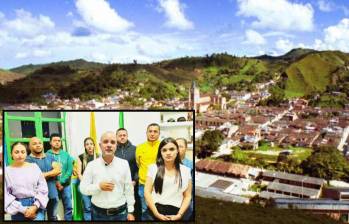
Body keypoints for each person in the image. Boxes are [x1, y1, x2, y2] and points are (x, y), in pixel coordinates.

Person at [80, 131, 135, 221]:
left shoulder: (124, 164)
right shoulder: (91, 165)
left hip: (120, 214)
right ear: (100, 145)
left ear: (116, 145)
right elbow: (83, 188)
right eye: (105, 142)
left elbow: (129, 188)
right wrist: (98, 187)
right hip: (98, 214)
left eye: (113, 142)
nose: (109, 145)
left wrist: (131, 211)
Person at [144, 137, 192, 221]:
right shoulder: (153, 168)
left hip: (176, 213)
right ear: (161, 153)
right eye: (164, 150)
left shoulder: (186, 171)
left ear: (177, 151)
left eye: (171, 149)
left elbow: (187, 196)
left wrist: (179, 215)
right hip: (154, 212)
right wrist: (156, 214)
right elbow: (147, 192)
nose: (168, 153)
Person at [5, 142, 48, 221]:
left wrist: (35, 206)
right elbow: (6, 195)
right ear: (11, 154)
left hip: (36, 205)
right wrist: (23, 209)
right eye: (16, 152)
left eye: (23, 152)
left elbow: (43, 188)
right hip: (17, 208)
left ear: (26, 154)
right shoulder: (7, 171)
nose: (20, 155)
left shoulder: (34, 167)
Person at [26, 137, 61, 221]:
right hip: (38, 198)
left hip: (53, 195)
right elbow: (32, 177)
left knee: (53, 217)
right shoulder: (28, 160)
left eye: (39, 143)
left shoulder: (49, 157)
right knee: (40, 218)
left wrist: (41, 175)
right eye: (34, 144)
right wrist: (50, 173)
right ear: (30, 147)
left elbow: (58, 170)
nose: (38, 145)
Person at [114, 128, 141, 220]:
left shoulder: (135, 149)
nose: (122, 137)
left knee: (134, 206)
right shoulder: (113, 150)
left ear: (127, 136)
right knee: (120, 206)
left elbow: (139, 167)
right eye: (120, 135)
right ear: (116, 137)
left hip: (133, 183)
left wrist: (135, 180)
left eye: (124, 135)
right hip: (118, 185)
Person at [136, 123, 160, 220]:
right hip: (143, 185)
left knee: (160, 211)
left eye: (155, 131)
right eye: (150, 131)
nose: (152, 134)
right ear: (146, 133)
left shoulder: (163, 146)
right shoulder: (139, 148)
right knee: (145, 210)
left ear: (159, 133)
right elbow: (139, 164)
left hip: (159, 185)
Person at [46, 134, 73, 220]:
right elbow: (47, 170)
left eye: (59, 141)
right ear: (50, 142)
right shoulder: (46, 155)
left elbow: (69, 170)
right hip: (52, 185)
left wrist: (61, 182)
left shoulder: (66, 155)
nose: (57, 142)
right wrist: (56, 183)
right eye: (55, 140)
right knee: (53, 207)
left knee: (68, 206)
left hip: (66, 185)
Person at [77, 137, 98, 221]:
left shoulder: (99, 156)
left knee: (97, 207)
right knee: (87, 207)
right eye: (87, 144)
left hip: (96, 185)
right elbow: (79, 173)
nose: (89, 146)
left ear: (94, 145)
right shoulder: (81, 157)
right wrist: (86, 184)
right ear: (84, 146)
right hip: (84, 185)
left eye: (91, 144)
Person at [176, 138, 194, 220]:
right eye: (176, 147)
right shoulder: (167, 164)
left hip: (186, 203)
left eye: (180, 146)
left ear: (186, 148)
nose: (178, 149)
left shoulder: (191, 165)